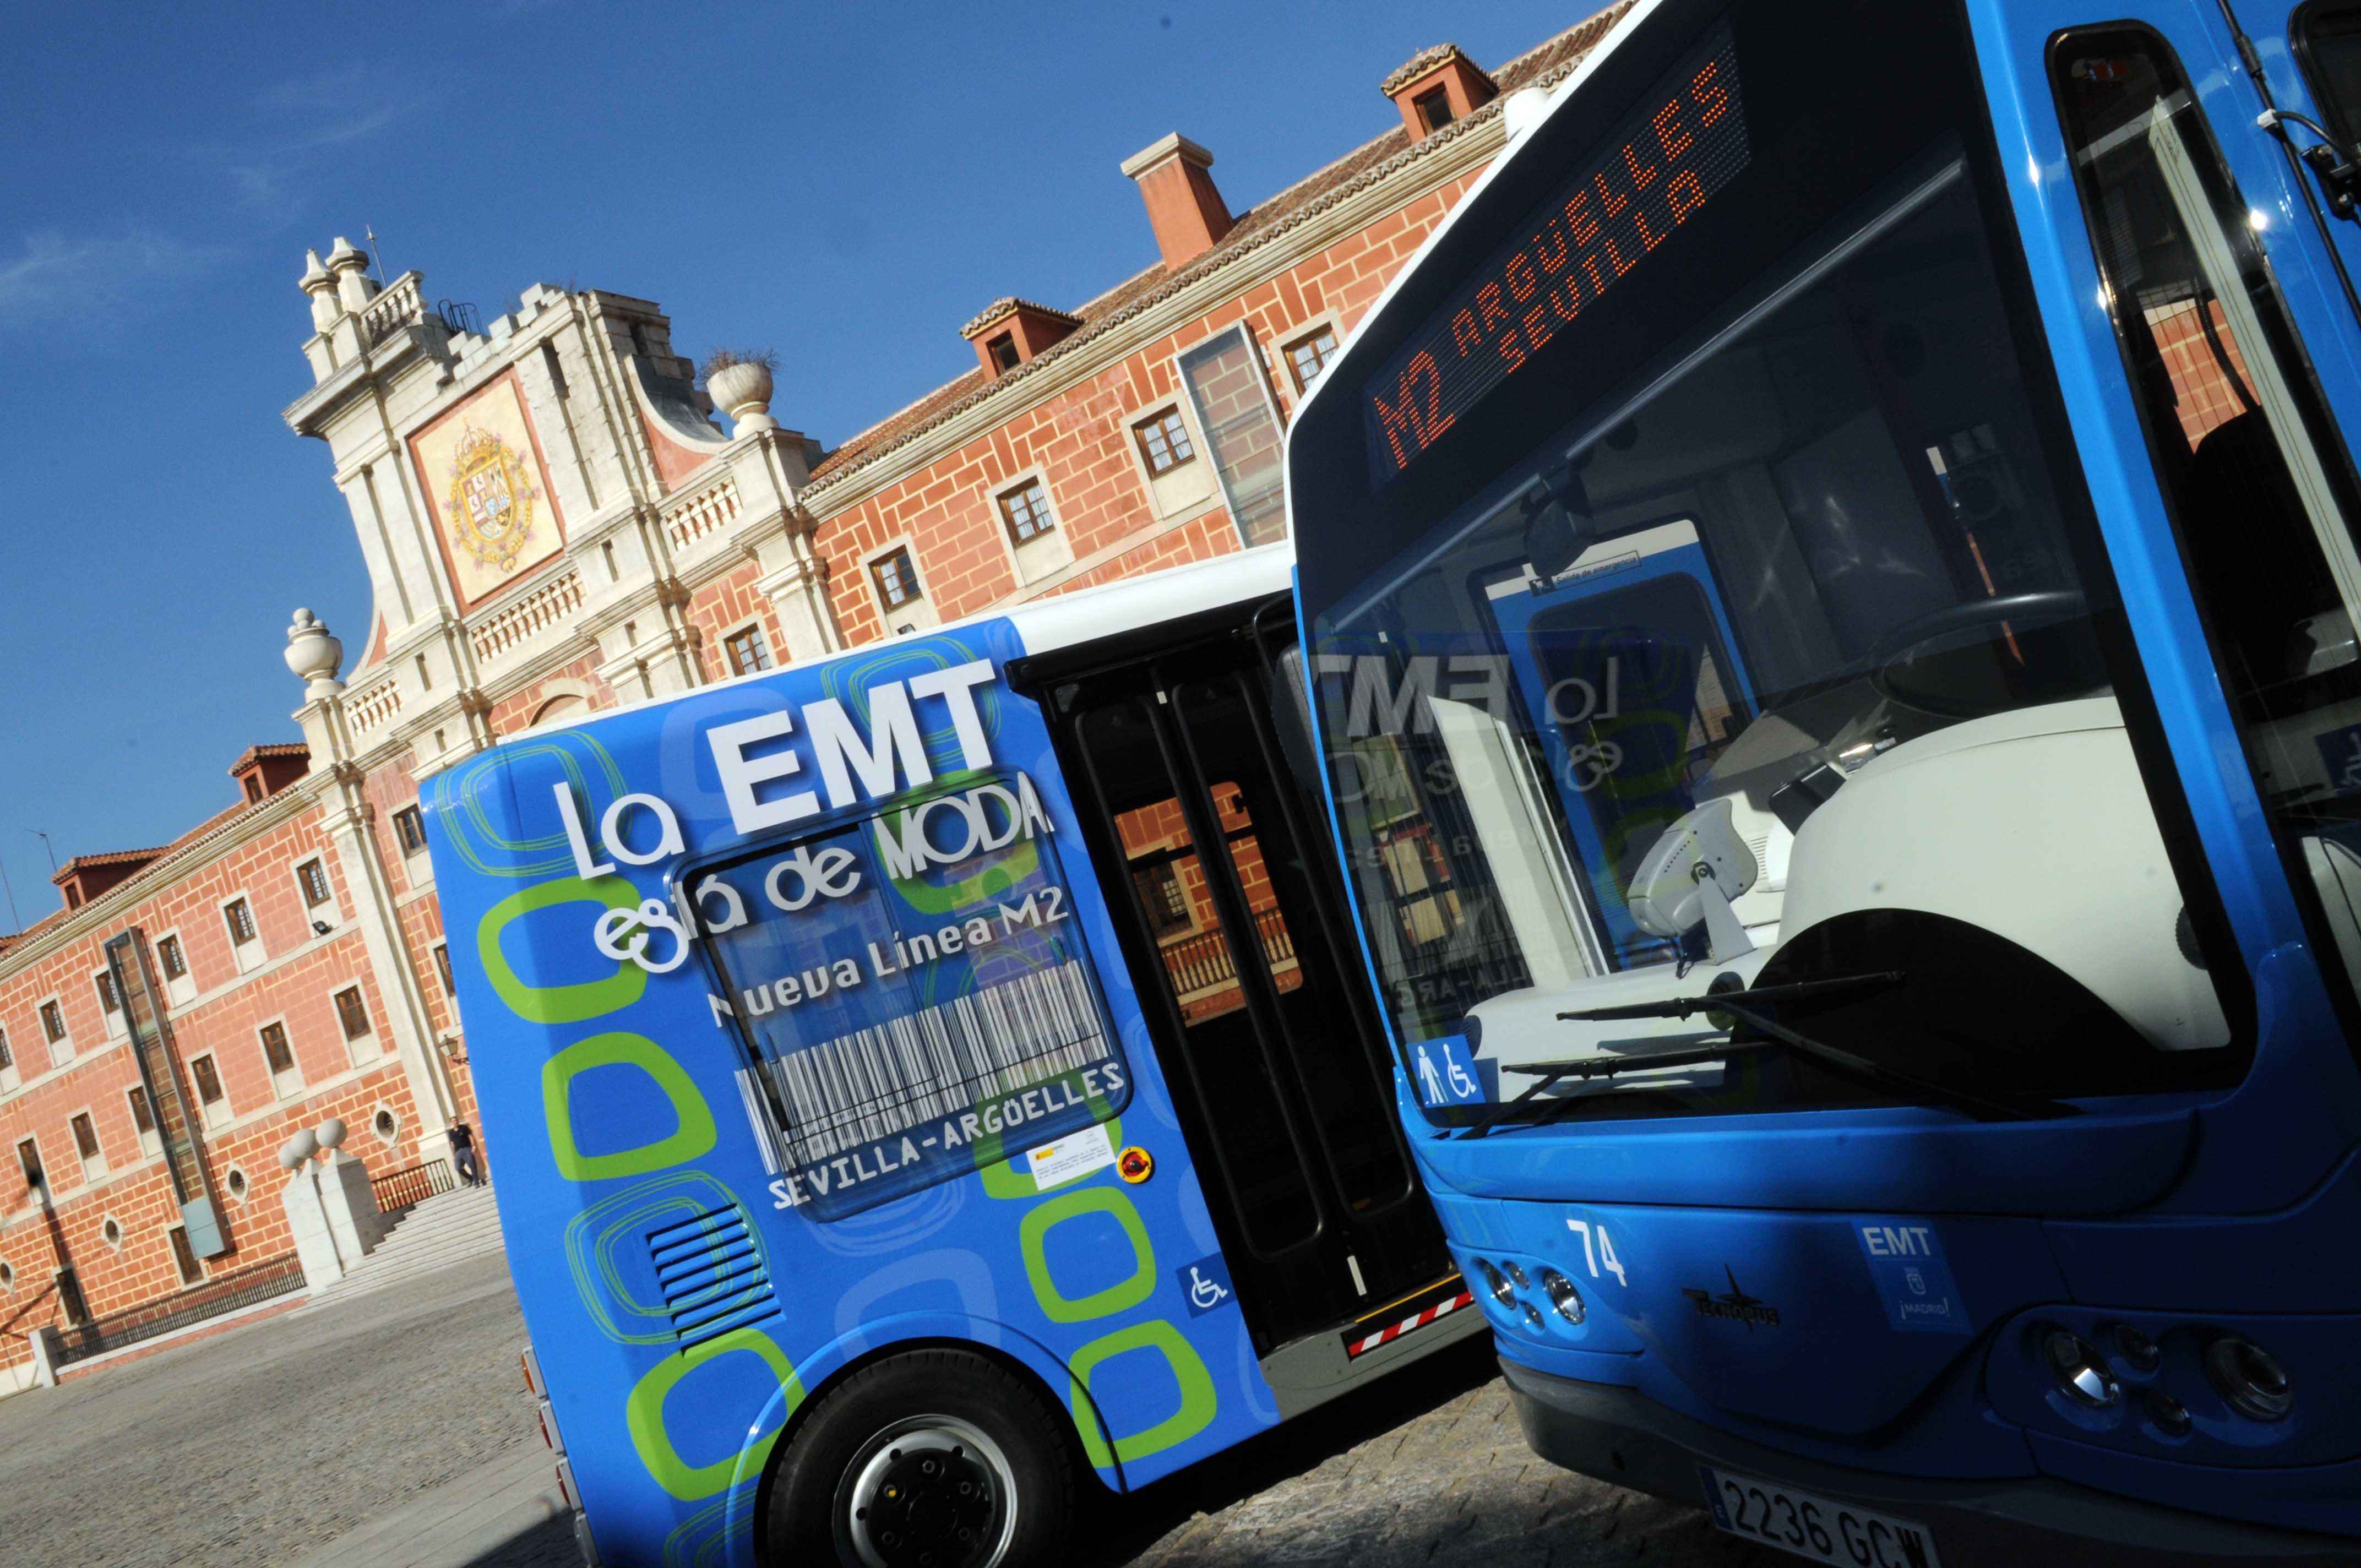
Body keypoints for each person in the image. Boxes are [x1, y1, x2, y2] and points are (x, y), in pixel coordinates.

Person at [448, 1121, 483, 1188]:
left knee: (472, 1165)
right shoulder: (451, 1132)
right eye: (453, 1121)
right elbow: (452, 1144)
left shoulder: (464, 1128)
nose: (455, 1122)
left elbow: (471, 1137)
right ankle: (471, 1178)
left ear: (457, 1121)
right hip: (458, 1152)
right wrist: (454, 1155)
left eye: (456, 1121)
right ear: (451, 1123)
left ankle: (476, 1182)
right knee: (458, 1168)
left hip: (467, 1149)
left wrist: (474, 1147)